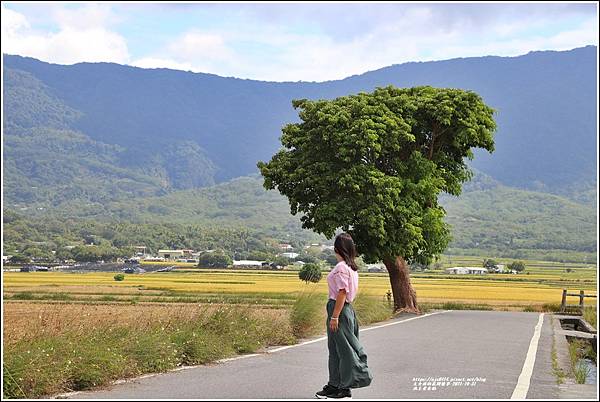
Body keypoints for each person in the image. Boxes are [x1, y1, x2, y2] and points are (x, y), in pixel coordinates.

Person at [315, 233, 373, 399]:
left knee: (343, 350)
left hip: (339, 309)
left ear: (337, 249)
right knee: (335, 349)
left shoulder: (341, 268)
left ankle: (344, 388)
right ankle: (334, 384)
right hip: (344, 309)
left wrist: (334, 316)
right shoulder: (351, 268)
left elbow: (342, 292)